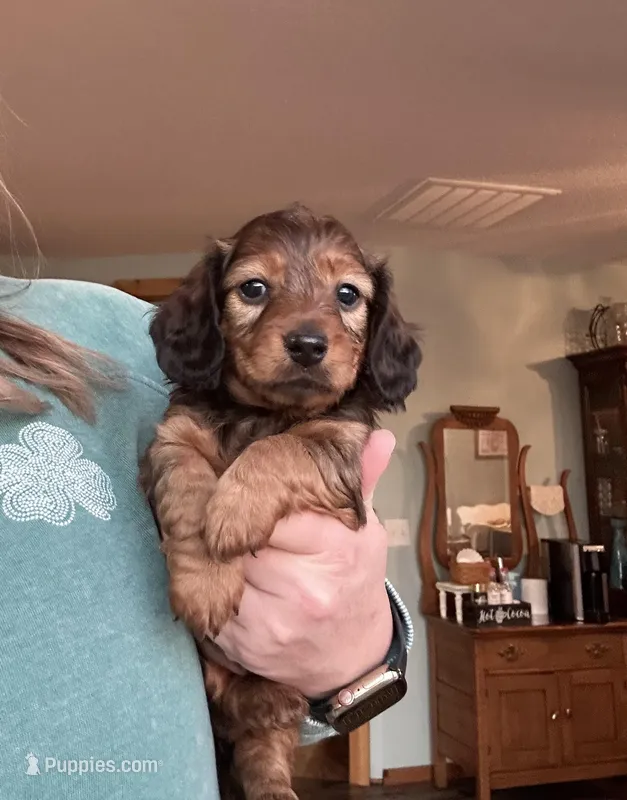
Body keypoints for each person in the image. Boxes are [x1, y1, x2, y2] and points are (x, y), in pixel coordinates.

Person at [0, 187, 412, 799]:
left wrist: (365, 653)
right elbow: (175, 450)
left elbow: (340, 644)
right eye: (254, 289)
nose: (307, 330)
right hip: (194, 684)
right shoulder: (187, 407)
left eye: (346, 296)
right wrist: (196, 543)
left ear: (374, 327)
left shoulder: (104, 332)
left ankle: (268, 778)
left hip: (267, 690)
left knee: (269, 737)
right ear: (211, 320)